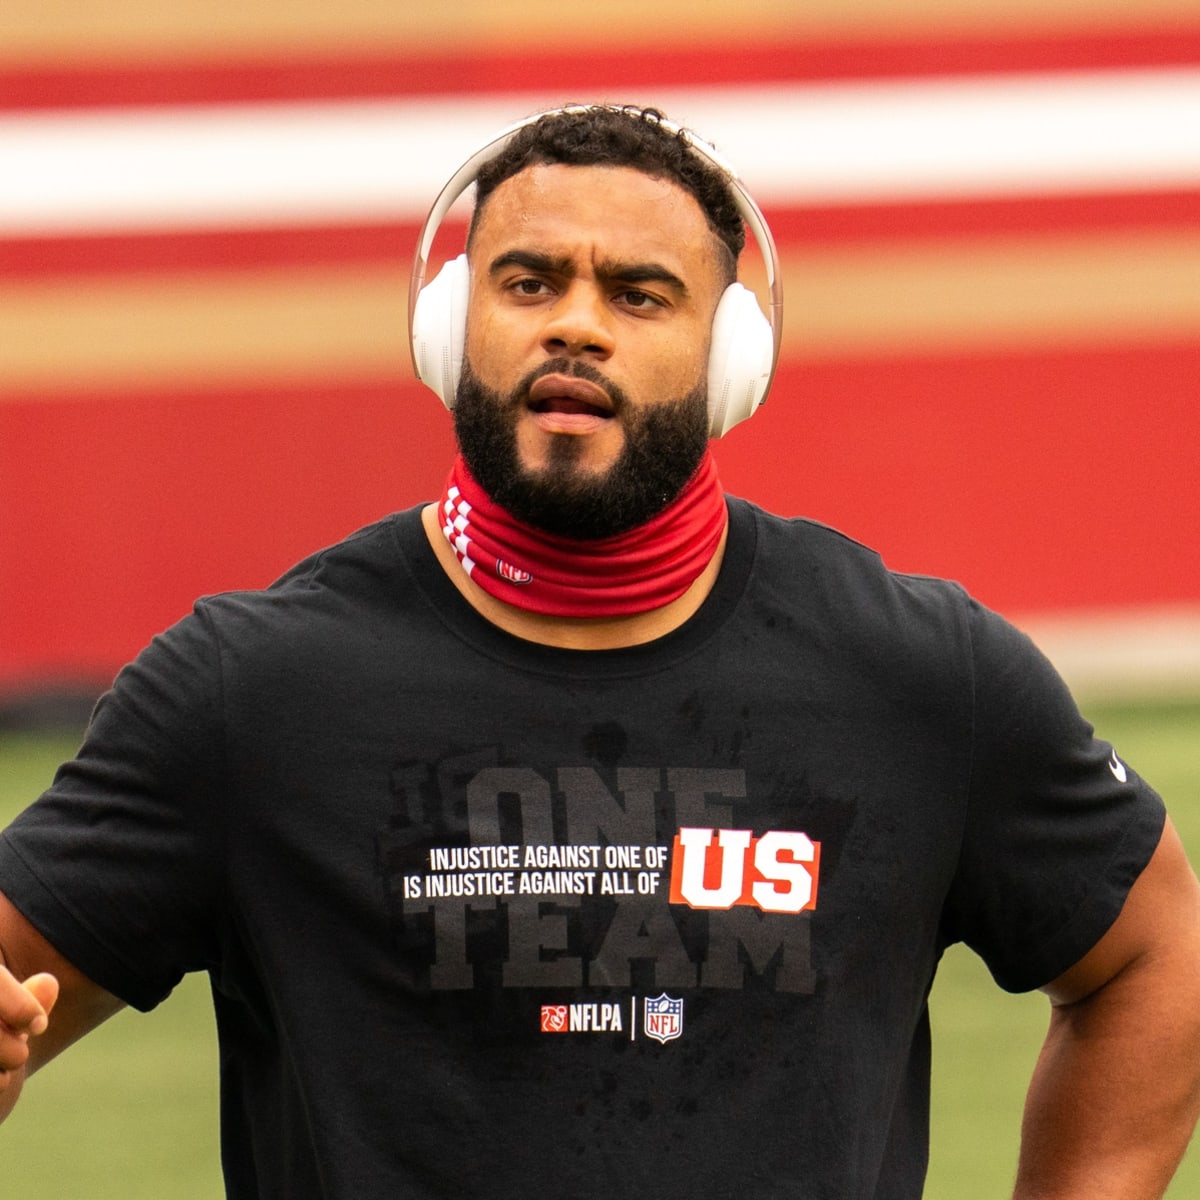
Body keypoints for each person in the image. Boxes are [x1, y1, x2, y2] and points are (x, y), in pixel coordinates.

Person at [2, 103, 1199, 1199]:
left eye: (638, 294)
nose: (575, 322)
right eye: (527, 281)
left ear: (732, 358)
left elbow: (1155, 954)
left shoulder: (921, 678)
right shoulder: (249, 692)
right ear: (448, 323)